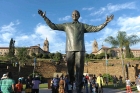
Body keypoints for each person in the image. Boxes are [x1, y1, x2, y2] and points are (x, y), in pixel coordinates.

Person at [38, 9, 113, 93]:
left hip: (80, 49)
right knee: (70, 68)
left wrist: (105, 22)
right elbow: (53, 26)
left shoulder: (82, 26)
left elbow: (95, 28)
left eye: (76, 14)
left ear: (79, 16)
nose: (74, 15)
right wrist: (44, 17)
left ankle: (78, 87)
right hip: (69, 49)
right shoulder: (66, 25)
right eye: (73, 14)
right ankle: (71, 80)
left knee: (80, 69)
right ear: (71, 15)